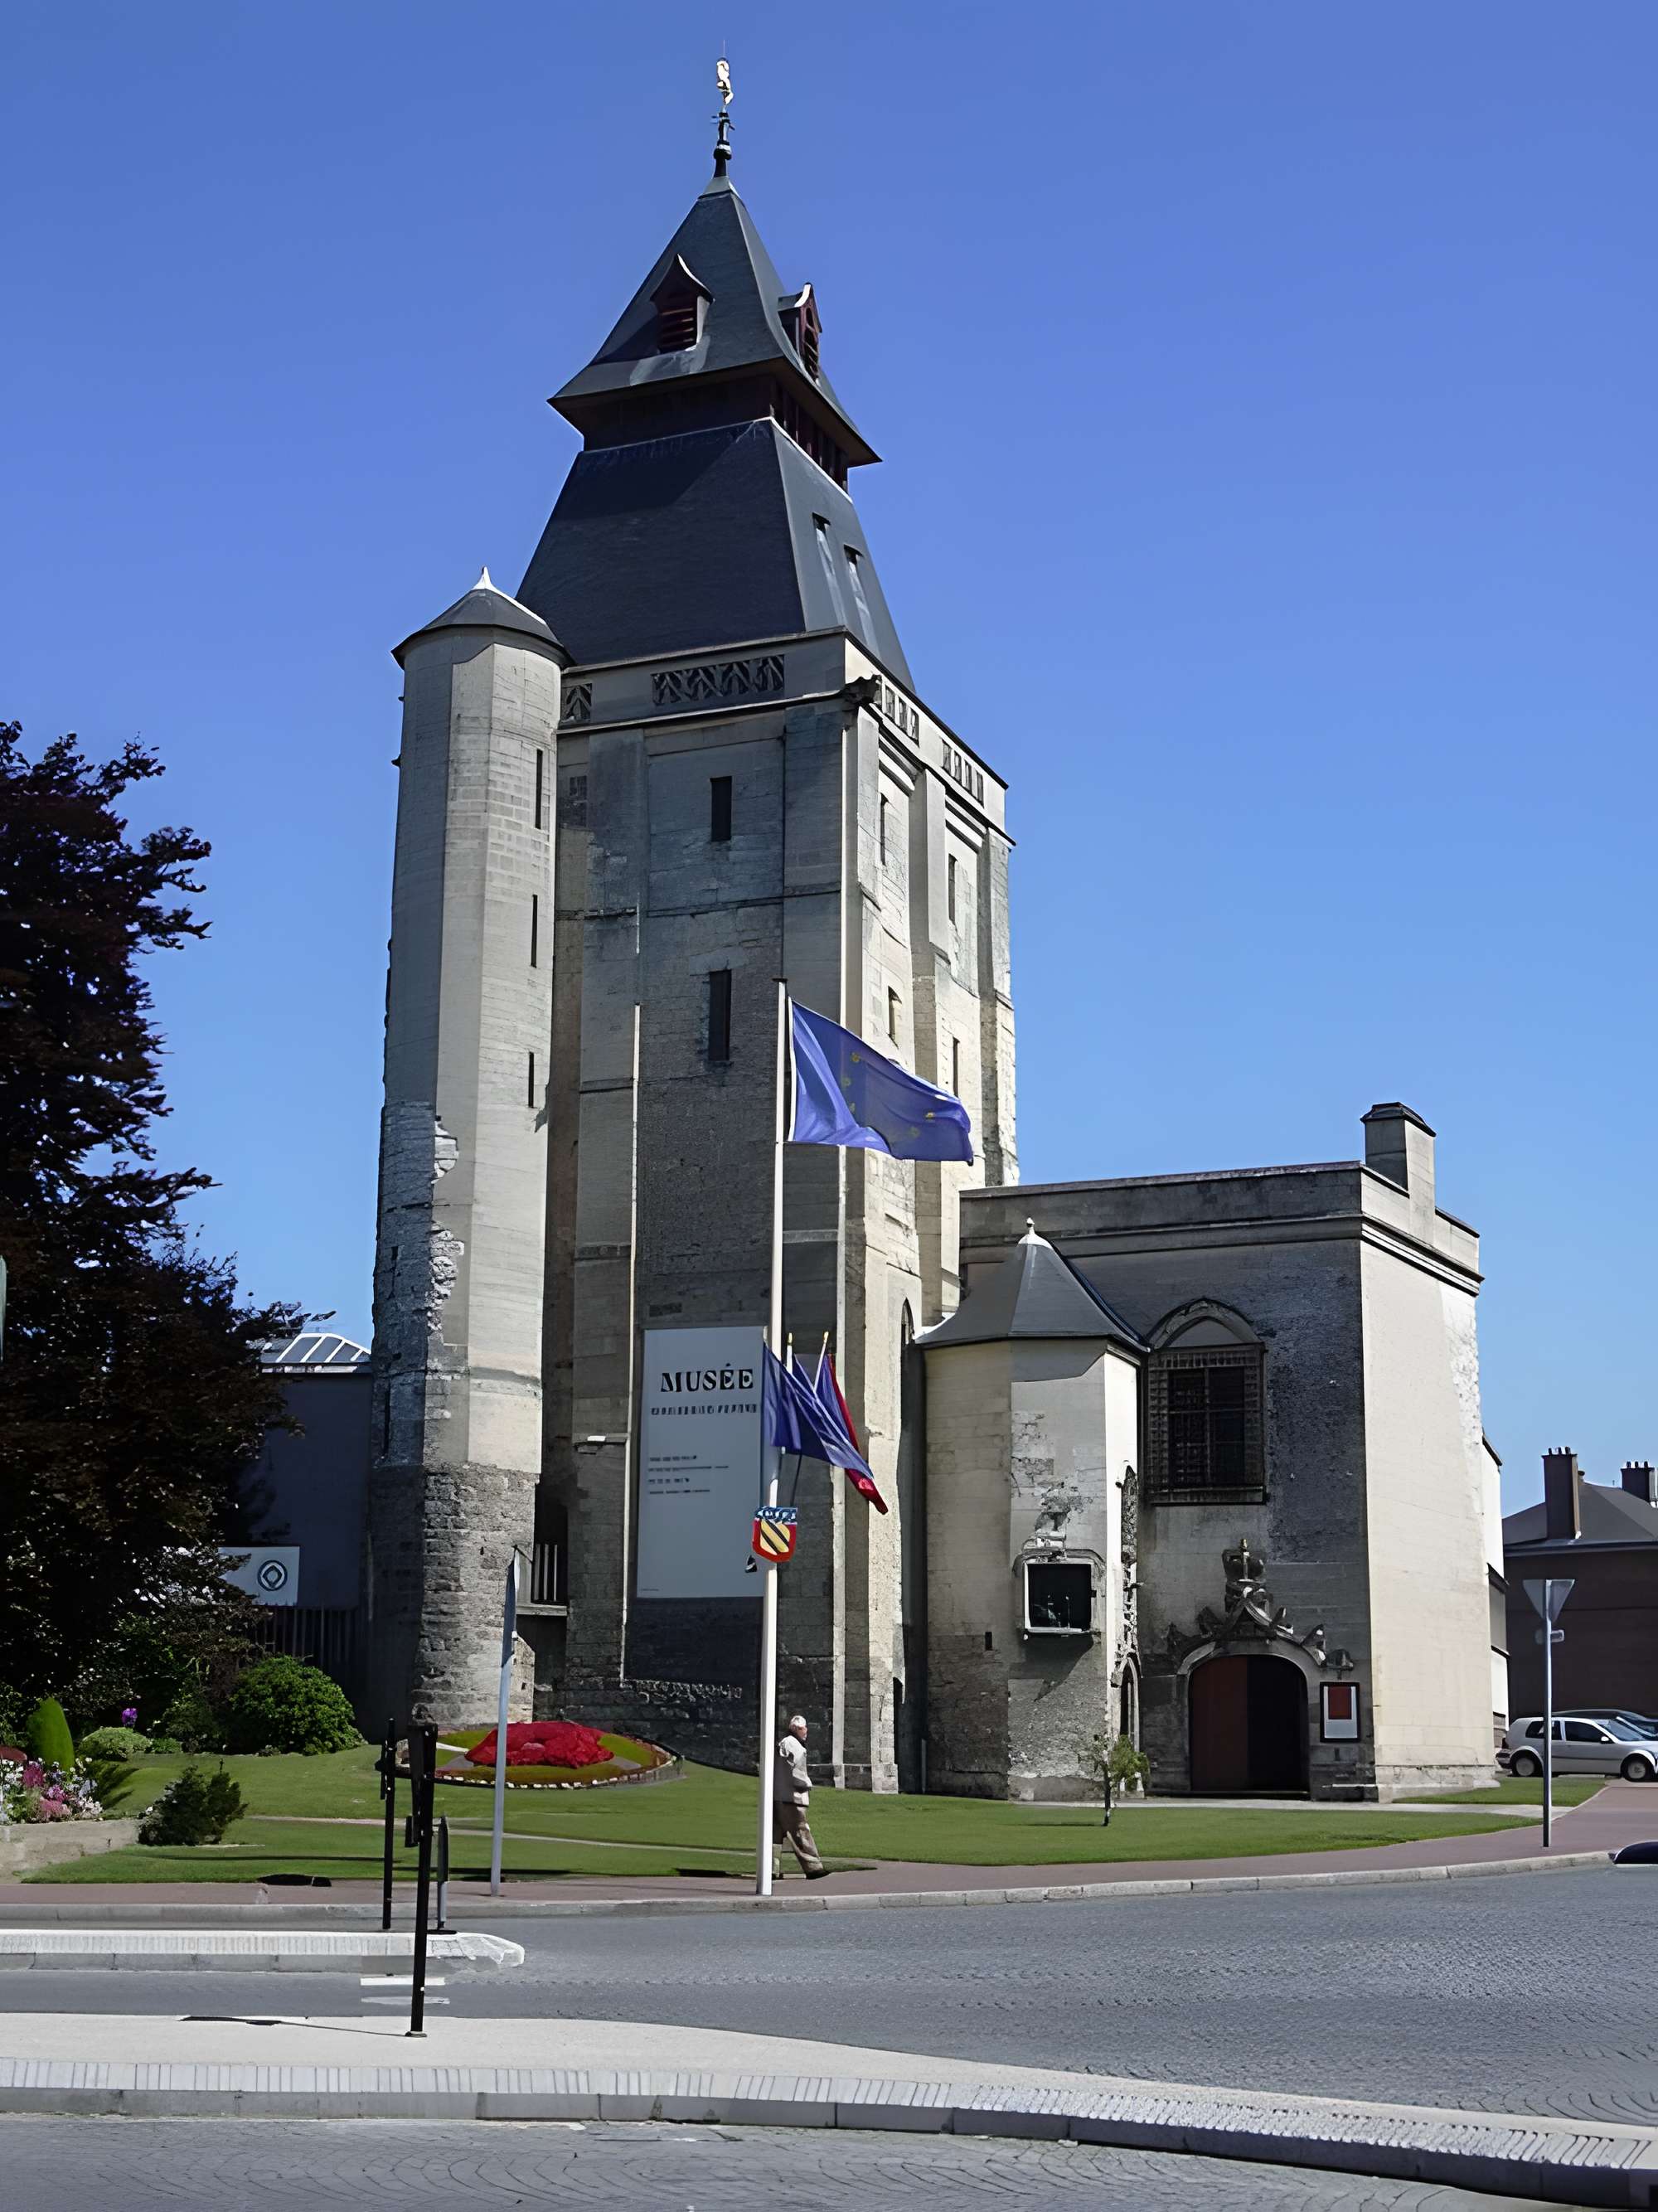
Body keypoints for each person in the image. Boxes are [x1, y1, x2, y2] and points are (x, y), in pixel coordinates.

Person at [773, 1714, 828, 1880]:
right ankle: (813, 1867)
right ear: (796, 1729)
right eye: (804, 1728)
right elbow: (797, 1773)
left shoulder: (783, 1743)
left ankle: (771, 1869)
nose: (806, 1731)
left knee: (775, 1836)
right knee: (801, 1832)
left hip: (778, 1795)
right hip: (793, 1797)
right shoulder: (795, 1746)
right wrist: (807, 1783)